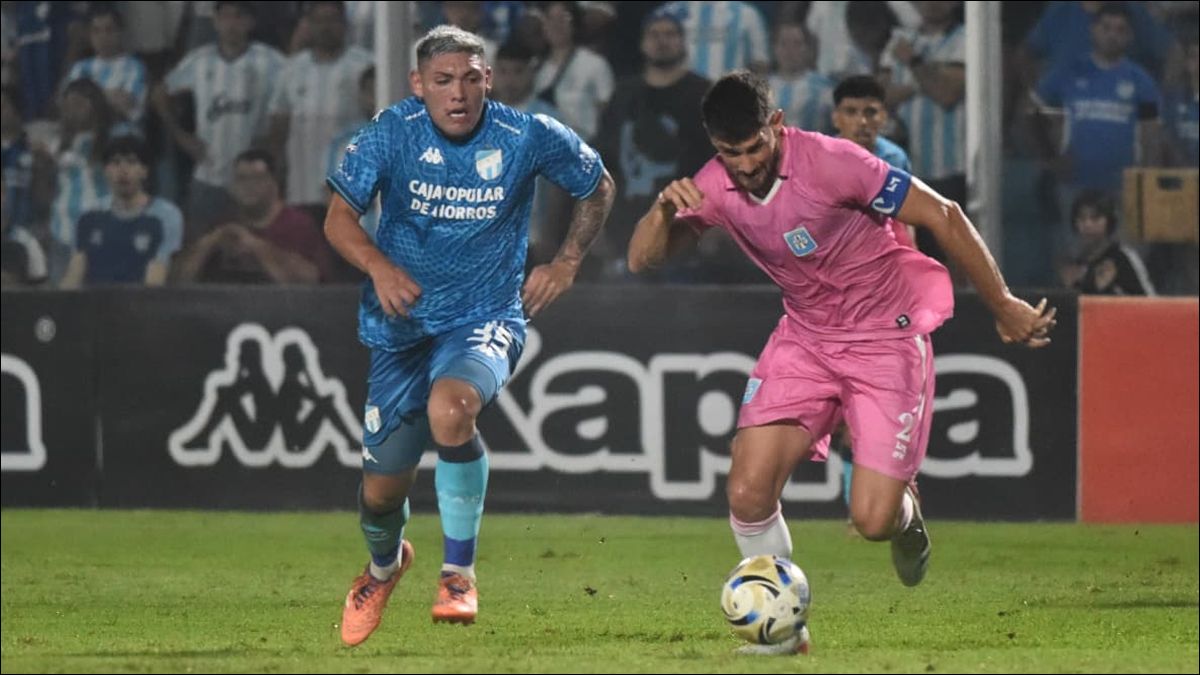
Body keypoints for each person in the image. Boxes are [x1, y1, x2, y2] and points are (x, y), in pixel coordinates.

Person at [627, 71, 1055, 654]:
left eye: (754, 148)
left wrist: (1002, 303)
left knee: (873, 521)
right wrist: (660, 212)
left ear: (776, 126)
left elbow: (944, 214)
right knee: (748, 492)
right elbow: (641, 260)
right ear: (714, 147)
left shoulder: (834, 162)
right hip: (806, 338)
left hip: (886, 340)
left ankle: (907, 516)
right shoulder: (714, 185)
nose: (746, 165)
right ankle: (784, 634)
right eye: (731, 153)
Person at [324, 25, 615, 646]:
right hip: (401, 327)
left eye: (469, 79)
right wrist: (378, 266)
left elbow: (598, 186)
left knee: (452, 410)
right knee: (379, 495)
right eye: (443, 81)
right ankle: (384, 567)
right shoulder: (391, 132)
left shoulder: (526, 134)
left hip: (485, 315)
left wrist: (565, 262)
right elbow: (338, 220)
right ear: (418, 85)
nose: (458, 94)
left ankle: (458, 573)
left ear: (488, 79)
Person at [60, 135, 182, 287]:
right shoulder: (89, 217)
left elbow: (156, 278)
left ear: (144, 171)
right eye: (116, 162)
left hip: (142, 305)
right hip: (94, 305)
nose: (123, 170)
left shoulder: (166, 215)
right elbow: (74, 274)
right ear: (105, 171)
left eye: (131, 162)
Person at [1059, 190, 1154, 295]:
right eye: (1082, 218)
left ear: (1109, 221)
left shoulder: (1123, 257)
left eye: (1095, 218)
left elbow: (1150, 301)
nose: (1087, 224)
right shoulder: (1075, 264)